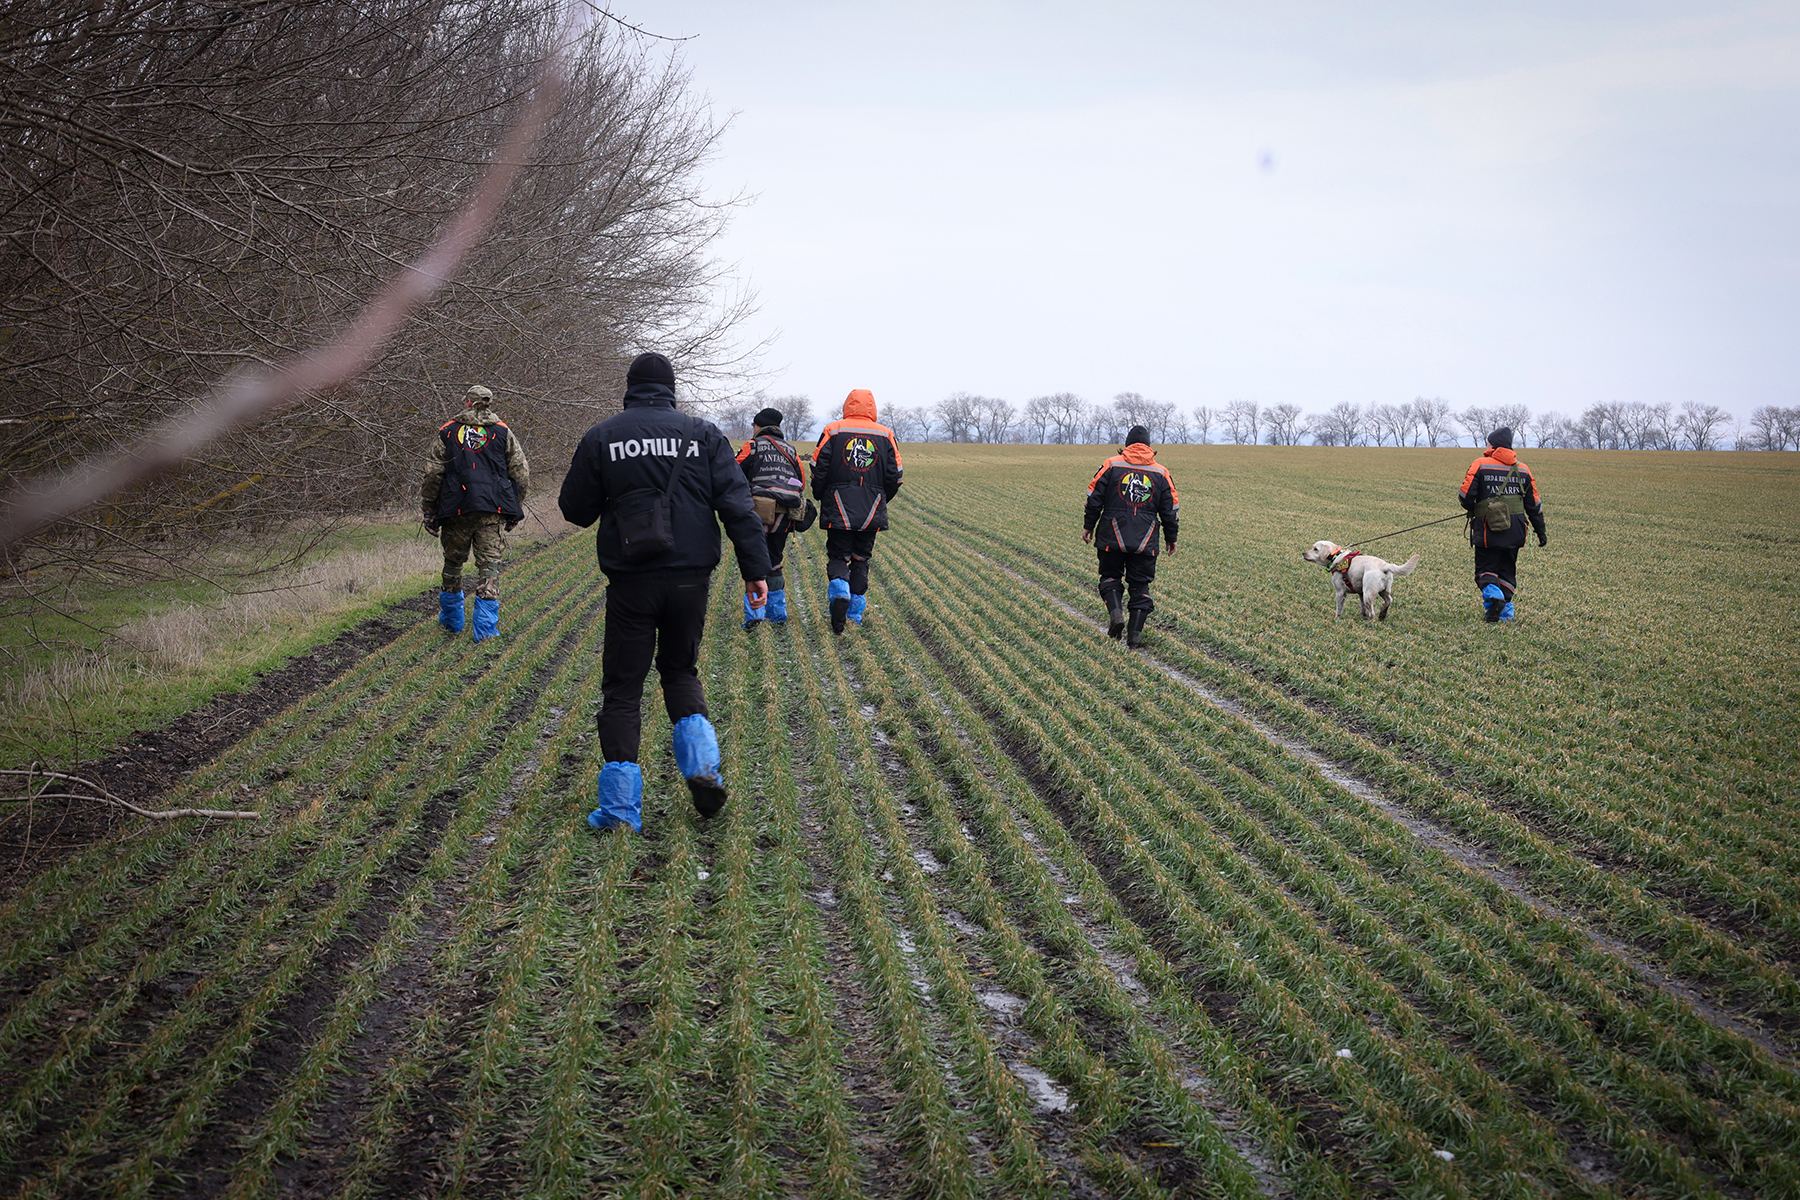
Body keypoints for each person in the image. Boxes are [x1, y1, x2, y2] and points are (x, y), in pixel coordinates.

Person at [557, 352, 771, 832]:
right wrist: (755, 571)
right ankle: (701, 766)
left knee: (623, 690)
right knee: (679, 670)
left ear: (629, 387)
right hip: (691, 578)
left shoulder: (603, 436)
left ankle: (617, 811)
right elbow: (738, 508)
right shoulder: (704, 435)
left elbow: (575, 509)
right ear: (671, 388)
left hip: (632, 581)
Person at [420, 384, 530, 644]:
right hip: (492, 510)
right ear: (489, 403)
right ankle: (485, 632)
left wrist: (429, 509)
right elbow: (521, 473)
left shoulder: (447, 431)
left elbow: (433, 473)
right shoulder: (503, 431)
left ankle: (451, 623)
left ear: (467, 402)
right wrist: (516, 506)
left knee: (453, 563)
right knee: (489, 567)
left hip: (455, 508)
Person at [811, 388, 903, 634]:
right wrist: (881, 499)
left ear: (847, 405)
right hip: (872, 508)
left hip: (838, 504)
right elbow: (895, 476)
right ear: (872, 408)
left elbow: (818, 467)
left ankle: (840, 591)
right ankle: (853, 614)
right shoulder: (886, 434)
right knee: (861, 558)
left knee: (839, 555)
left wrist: (821, 494)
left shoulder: (833, 429)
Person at [1082, 424, 1179, 648]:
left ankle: (1116, 616)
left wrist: (1089, 525)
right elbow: (1170, 509)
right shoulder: (1161, 473)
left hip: (1111, 534)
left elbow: (1093, 497)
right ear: (1149, 447)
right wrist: (1171, 537)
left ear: (1126, 445)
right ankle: (1134, 637)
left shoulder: (1111, 464)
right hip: (1146, 539)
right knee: (1140, 586)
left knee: (1110, 577)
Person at [734, 406, 814, 629]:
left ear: (758, 426)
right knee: (775, 560)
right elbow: (801, 482)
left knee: (754, 559)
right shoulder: (791, 450)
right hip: (785, 515)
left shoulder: (752, 446)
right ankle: (777, 613)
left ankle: (755, 614)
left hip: (756, 514)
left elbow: (732, 472)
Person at [1458, 425, 1547, 622]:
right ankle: (1505, 615)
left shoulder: (1480, 464)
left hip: (1488, 528)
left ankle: (1495, 598)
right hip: (1516, 529)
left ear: (1494, 445)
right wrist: (1541, 532)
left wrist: (1474, 508)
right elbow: (1534, 505)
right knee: (1507, 571)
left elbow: (1465, 496)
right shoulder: (1523, 469)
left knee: (1485, 571)